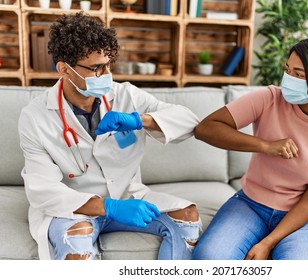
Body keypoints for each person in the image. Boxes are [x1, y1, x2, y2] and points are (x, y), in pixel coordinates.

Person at [18, 12, 202, 260]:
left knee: (187, 217)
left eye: (108, 64)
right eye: (96, 67)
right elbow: (43, 190)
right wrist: (109, 207)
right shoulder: (35, 116)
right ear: (64, 69)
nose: (106, 74)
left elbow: (190, 121)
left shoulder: (126, 96)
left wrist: (139, 119)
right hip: (75, 207)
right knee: (75, 239)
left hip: (129, 197)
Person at [192, 36, 308, 260]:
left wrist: (268, 243)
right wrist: (265, 145)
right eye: (288, 70)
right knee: (208, 257)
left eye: (299, 75)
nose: (289, 79)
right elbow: (205, 128)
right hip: (249, 204)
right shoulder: (269, 98)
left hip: (304, 215)